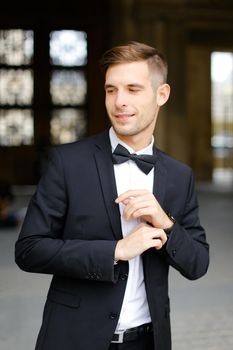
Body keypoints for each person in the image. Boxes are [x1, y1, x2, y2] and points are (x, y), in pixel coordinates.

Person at [15, 41, 209, 350]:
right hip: (74, 339)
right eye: (111, 90)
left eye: (133, 89)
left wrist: (167, 226)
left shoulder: (179, 175)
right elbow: (29, 250)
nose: (119, 101)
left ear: (162, 94)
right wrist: (115, 251)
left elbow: (198, 264)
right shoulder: (67, 163)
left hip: (149, 340)